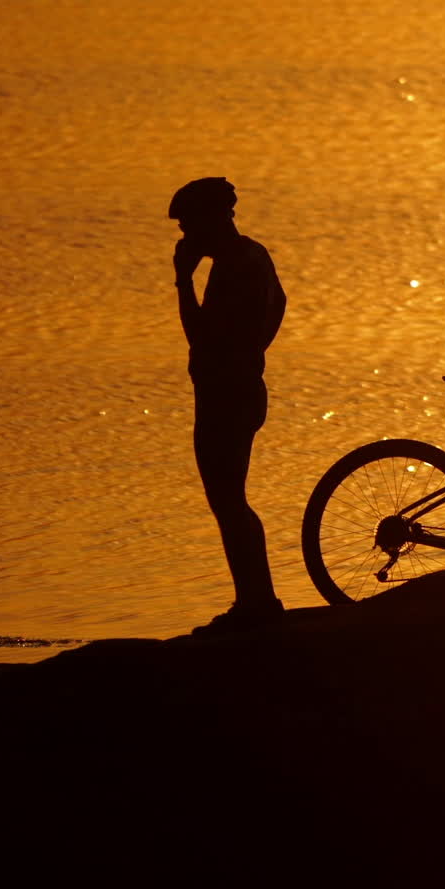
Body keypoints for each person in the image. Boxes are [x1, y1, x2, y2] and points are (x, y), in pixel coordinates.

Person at [170, 177, 287, 633]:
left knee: (229, 500)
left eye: (186, 226)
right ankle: (255, 599)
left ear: (210, 221)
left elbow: (199, 334)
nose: (184, 237)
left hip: (227, 396)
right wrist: (258, 349)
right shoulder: (253, 254)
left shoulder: (233, 267)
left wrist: (183, 281)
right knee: (230, 499)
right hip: (242, 388)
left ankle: (256, 603)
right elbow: (280, 303)